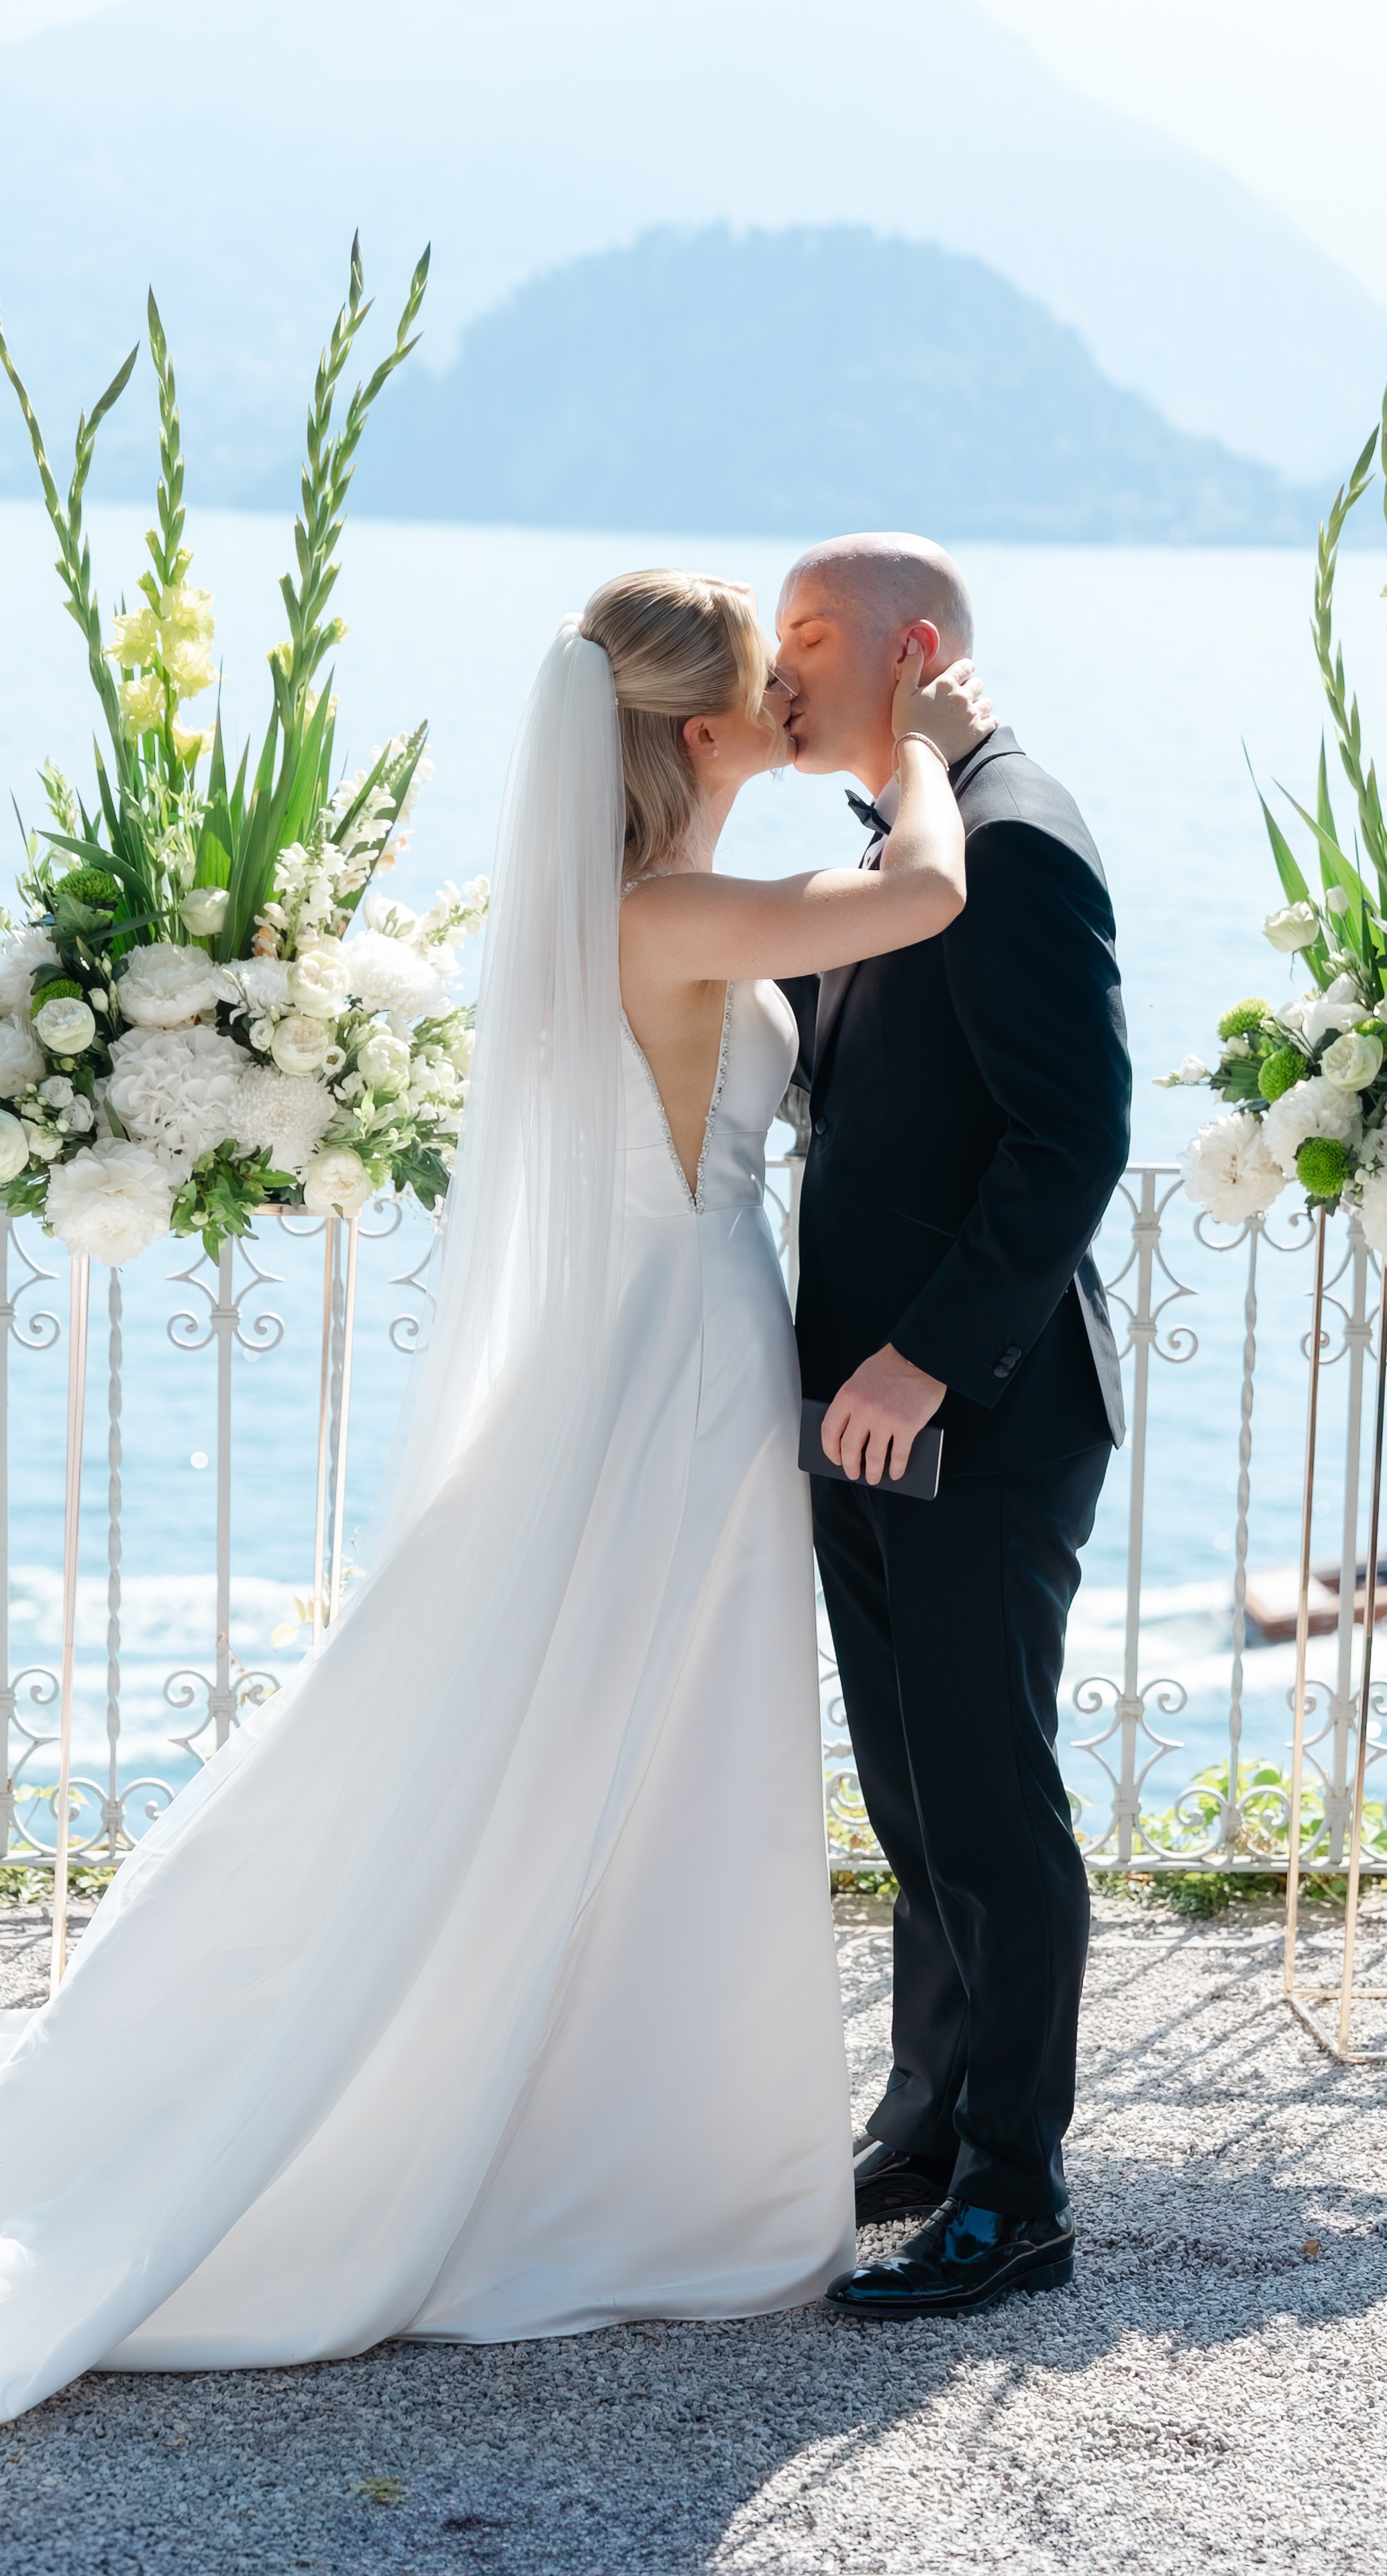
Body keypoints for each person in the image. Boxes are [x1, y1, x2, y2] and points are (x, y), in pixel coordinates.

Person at [0, 569, 988, 2420]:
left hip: (645, 1336)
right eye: (766, 686)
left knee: (606, 1735)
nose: (793, 701)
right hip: (686, 1353)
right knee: (675, 1741)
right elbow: (923, 896)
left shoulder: (610, 909)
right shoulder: (673, 909)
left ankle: (614, 2133)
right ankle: (650, 2170)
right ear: (699, 733)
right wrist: (931, 748)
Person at [775, 532, 1131, 2321]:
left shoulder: (1013, 835)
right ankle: (925, 2119)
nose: (780, 666)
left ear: (915, 649)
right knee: (916, 1798)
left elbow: (1074, 1135)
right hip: (864, 1412)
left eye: (813, 636)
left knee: (990, 1808)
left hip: (969, 1412)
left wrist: (922, 1359)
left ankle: (1016, 2195)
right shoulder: (906, 841)